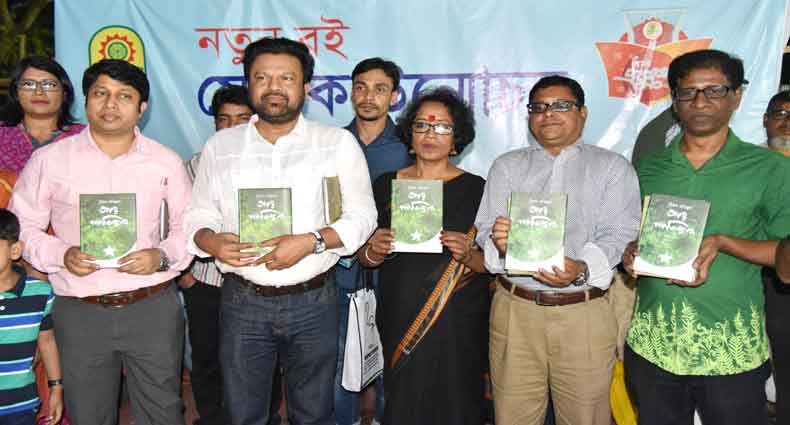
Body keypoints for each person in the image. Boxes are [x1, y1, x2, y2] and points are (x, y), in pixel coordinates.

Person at [184, 37, 377, 425]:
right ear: (249, 84)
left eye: (286, 78)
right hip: (242, 300)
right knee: (244, 413)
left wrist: (311, 242)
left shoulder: (336, 144)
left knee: (313, 412)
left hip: (314, 300)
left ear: (306, 87)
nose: (274, 87)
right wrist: (211, 241)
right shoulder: (220, 146)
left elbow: (362, 217)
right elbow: (198, 214)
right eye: (262, 78)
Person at [9, 59, 193, 425]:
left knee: (162, 411)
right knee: (88, 413)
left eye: (124, 96)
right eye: (101, 93)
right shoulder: (50, 160)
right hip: (80, 308)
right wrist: (61, 254)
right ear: (86, 101)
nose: (111, 104)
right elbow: (23, 226)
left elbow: (188, 228)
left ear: (142, 107)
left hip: (151, 305)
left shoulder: (165, 161)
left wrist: (161, 256)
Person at [621, 50, 790, 425]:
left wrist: (724, 242)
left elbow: (785, 258)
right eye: (688, 92)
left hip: (729, 348)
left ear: (736, 96)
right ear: (674, 99)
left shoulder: (770, 169)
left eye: (714, 90)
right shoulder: (649, 167)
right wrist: (632, 252)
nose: (700, 102)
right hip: (653, 343)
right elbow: (634, 235)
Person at [474, 75, 641, 425]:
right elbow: (486, 227)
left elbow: (620, 233)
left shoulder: (612, 167)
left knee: (586, 417)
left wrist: (580, 268)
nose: (548, 114)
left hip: (584, 311)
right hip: (515, 311)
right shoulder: (507, 165)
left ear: (583, 112)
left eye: (561, 106)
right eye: (539, 107)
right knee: (512, 417)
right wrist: (500, 244)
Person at [358, 86, 490, 425]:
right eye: (422, 125)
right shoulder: (385, 185)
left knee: (457, 400)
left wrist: (468, 255)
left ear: (457, 138)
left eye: (443, 127)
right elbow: (364, 258)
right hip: (399, 310)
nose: (431, 134)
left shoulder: (478, 189)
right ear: (409, 133)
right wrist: (373, 249)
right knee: (404, 400)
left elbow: (491, 264)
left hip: (457, 317)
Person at [334, 57, 410, 425]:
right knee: (339, 355)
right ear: (351, 92)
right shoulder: (332, 143)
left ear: (394, 96)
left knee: (391, 354)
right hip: (340, 266)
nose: (368, 96)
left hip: (393, 267)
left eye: (380, 89)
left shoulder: (409, 146)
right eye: (361, 87)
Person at [179, 84, 253, 425]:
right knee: (207, 359)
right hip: (205, 283)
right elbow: (176, 223)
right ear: (214, 123)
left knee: (257, 361)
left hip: (255, 283)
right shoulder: (193, 166)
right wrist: (185, 276)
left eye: (242, 119)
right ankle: (210, 418)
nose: (232, 126)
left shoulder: (273, 165)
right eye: (225, 119)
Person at [0, 209, 62, 425]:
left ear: (15, 250)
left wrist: (56, 388)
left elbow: (47, 342)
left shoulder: (40, 293)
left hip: (21, 405)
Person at [760, 89, 790, 424]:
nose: (787, 122)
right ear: (766, 120)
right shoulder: (745, 165)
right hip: (746, 276)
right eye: (780, 113)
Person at [1, 56, 85, 173]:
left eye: (49, 85)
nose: (39, 92)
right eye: (28, 84)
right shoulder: (2, 136)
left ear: (64, 93)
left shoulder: (85, 138)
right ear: (16, 93)